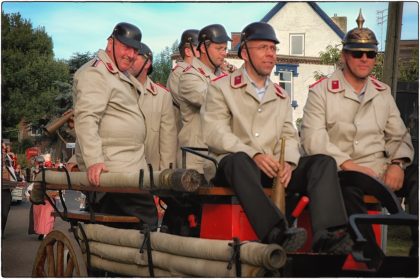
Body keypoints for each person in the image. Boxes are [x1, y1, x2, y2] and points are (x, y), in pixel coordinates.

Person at [202, 22, 352, 253]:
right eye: (262, 47)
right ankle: (275, 231)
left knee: (323, 163)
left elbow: (289, 135)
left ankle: (328, 235)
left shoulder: (281, 95)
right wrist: (254, 154)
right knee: (239, 160)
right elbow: (215, 132)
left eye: (273, 48)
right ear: (244, 53)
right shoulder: (221, 88)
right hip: (236, 168)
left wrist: (289, 163)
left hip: (272, 168)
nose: (270, 54)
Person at [301, 11, 418, 257]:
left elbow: (398, 135)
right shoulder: (321, 92)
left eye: (371, 54)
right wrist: (348, 164)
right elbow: (313, 139)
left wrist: (397, 164)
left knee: (417, 176)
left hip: (380, 169)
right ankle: (370, 257)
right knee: (349, 191)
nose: (364, 59)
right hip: (343, 171)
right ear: (345, 56)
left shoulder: (382, 92)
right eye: (357, 53)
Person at [73, 22, 157, 228]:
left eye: (135, 50)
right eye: (125, 47)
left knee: (130, 231)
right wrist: (93, 160)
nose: (130, 54)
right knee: (147, 223)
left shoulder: (118, 74)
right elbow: (86, 117)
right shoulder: (96, 72)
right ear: (110, 43)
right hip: (112, 169)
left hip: (129, 168)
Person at [177, 24, 231, 176]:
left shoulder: (226, 77)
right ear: (203, 48)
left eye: (225, 49)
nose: (224, 53)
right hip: (197, 159)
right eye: (219, 48)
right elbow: (210, 100)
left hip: (219, 158)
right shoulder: (189, 76)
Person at [130, 42, 177, 171]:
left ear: (148, 63)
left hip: (150, 175)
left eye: (135, 55)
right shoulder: (115, 89)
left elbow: (168, 142)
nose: (130, 57)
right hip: (118, 171)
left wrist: (164, 178)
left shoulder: (162, 96)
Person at [166, 29, 200, 133]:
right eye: (199, 48)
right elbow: (189, 105)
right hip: (186, 132)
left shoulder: (198, 72)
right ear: (188, 51)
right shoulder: (179, 73)